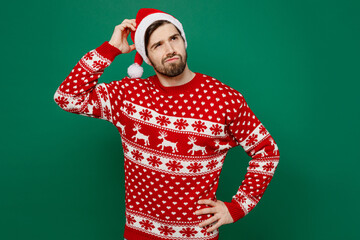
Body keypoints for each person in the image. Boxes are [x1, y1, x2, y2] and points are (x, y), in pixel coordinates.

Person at [53, 8, 280, 240]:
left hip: (197, 236)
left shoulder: (224, 99)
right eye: (157, 45)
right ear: (147, 57)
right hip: (139, 235)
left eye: (174, 38)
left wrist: (237, 208)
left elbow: (267, 151)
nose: (170, 49)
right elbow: (67, 98)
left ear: (184, 41)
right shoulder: (128, 96)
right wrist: (110, 49)